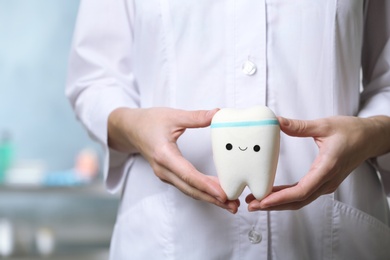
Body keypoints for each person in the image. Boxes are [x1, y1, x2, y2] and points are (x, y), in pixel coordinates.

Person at [66, 0, 390, 259]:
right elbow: (95, 80)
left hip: (332, 238)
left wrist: (372, 131)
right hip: (170, 240)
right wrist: (134, 126)